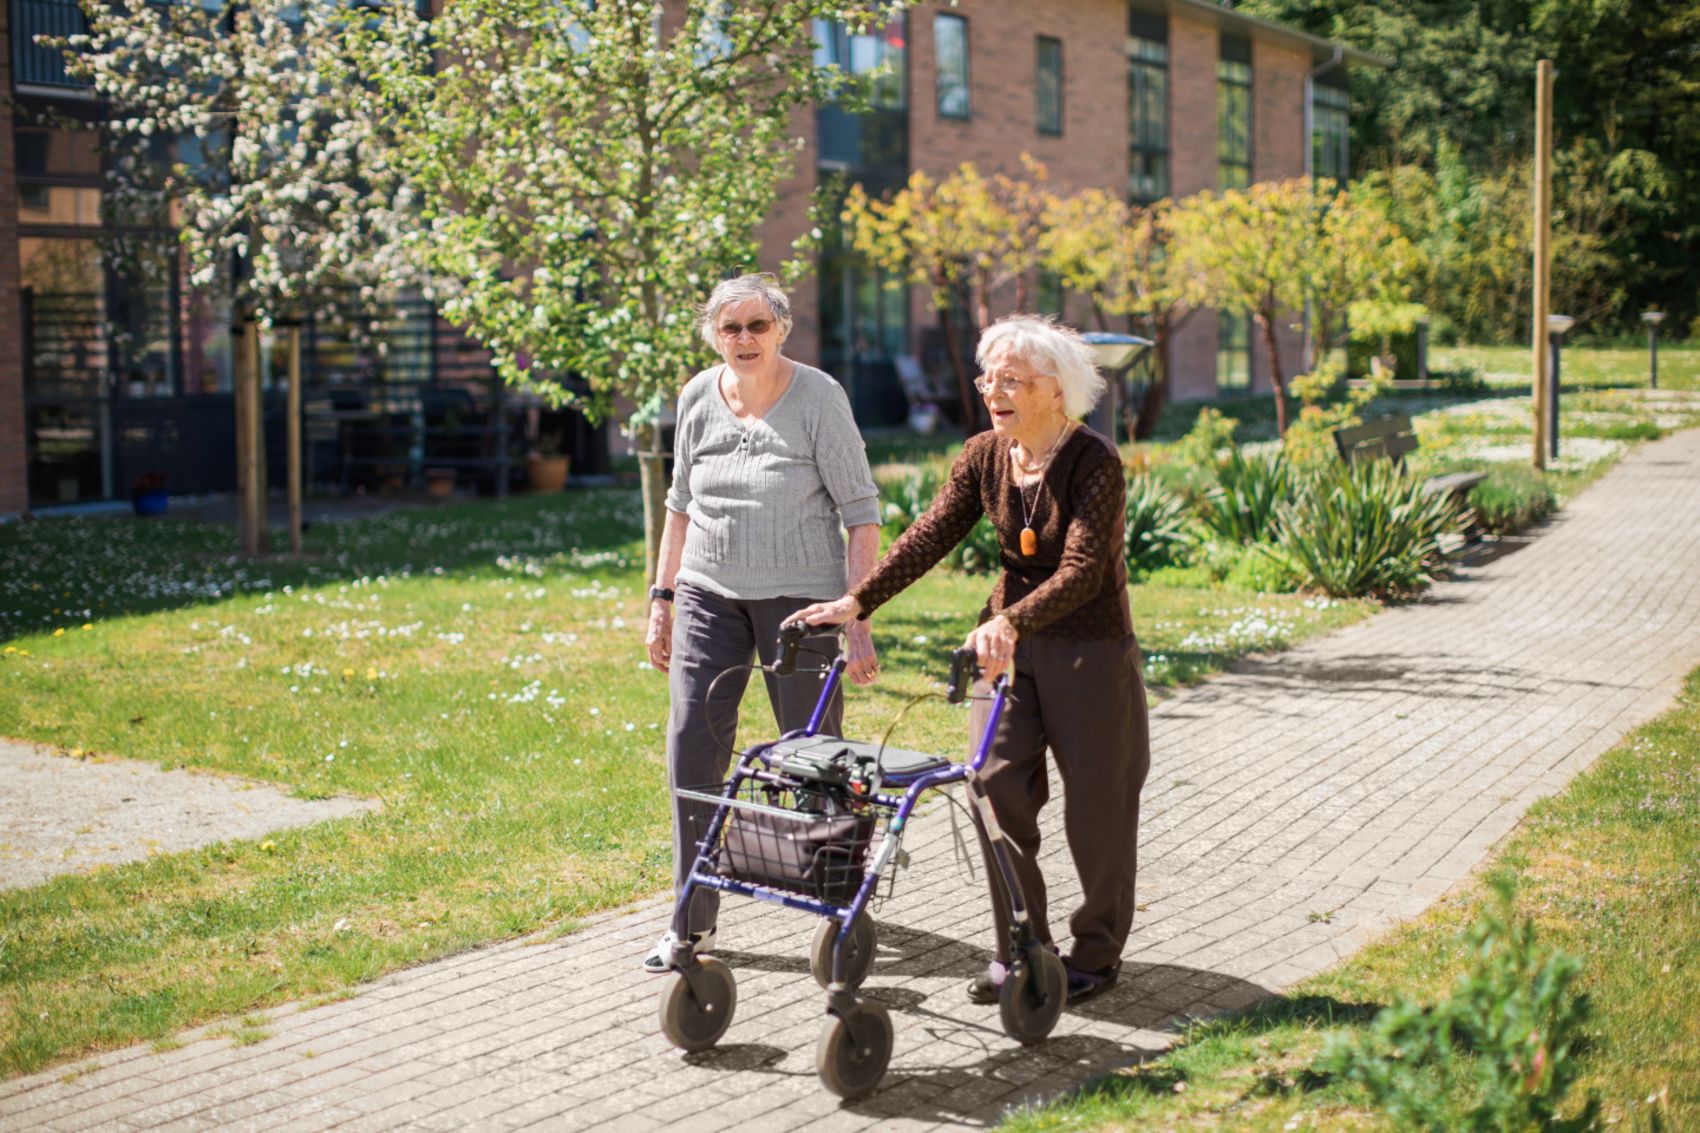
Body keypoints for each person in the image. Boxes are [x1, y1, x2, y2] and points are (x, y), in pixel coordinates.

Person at [790, 314, 1150, 1004]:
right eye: (989, 376)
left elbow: (1081, 570)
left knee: (1099, 809)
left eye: (1011, 379)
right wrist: (859, 599)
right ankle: (1025, 947)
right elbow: (930, 534)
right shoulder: (986, 453)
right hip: (1007, 649)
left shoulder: (1094, 460)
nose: (994, 390)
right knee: (994, 790)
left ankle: (1097, 954)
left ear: (1055, 389)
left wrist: (1013, 618)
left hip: (1089, 649)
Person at [642, 273, 882, 973]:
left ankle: (839, 909)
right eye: (729, 328)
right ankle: (690, 923)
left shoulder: (819, 398)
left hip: (801, 606)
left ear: (781, 329)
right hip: (709, 596)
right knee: (692, 748)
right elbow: (680, 504)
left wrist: (855, 612)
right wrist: (662, 597)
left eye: (756, 326)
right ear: (713, 335)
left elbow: (861, 513)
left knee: (814, 760)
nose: (743, 339)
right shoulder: (695, 396)